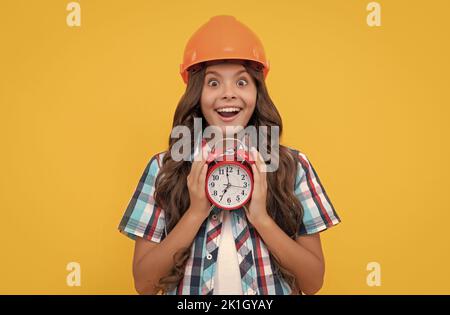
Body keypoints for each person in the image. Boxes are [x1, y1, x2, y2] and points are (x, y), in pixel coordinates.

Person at [118, 15, 341, 295]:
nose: (228, 94)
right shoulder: (165, 167)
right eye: (213, 83)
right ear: (196, 93)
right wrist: (196, 212)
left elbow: (313, 283)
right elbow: (145, 284)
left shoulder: (292, 166)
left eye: (242, 82)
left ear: (257, 92)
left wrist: (261, 218)